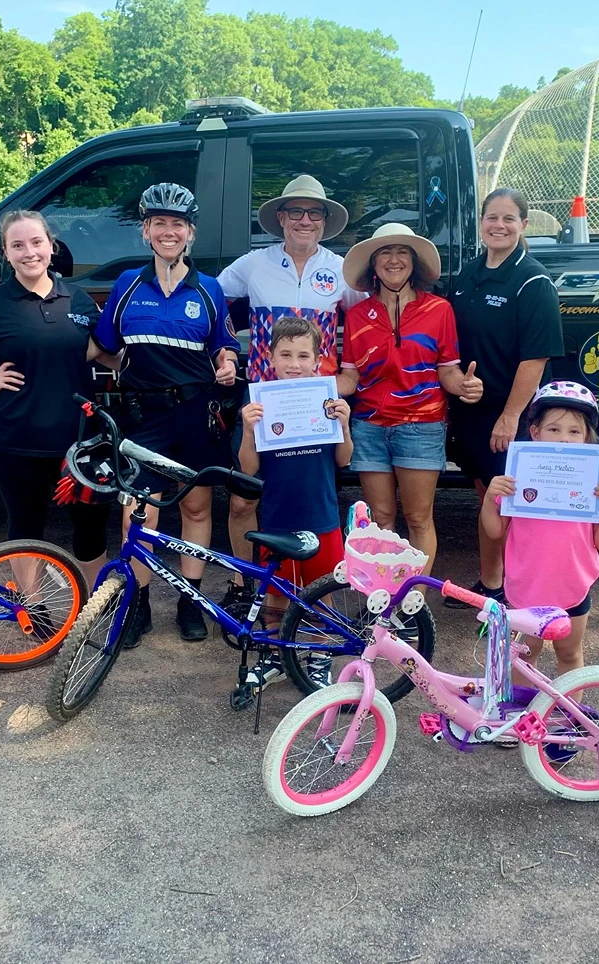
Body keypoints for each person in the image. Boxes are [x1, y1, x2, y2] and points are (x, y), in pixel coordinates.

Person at [89, 183, 240, 646]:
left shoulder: (209, 289)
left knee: (196, 506)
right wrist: (125, 366)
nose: (168, 231)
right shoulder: (128, 285)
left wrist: (228, 364)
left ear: (190, 232)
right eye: (159, 223)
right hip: (143, 416)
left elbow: (225, 347)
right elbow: (100, 348)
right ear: (146, 231)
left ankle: (190, 599)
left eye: (177, 224)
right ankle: (136, 604)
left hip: (196, 412)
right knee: (141, 512)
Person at [0, 210, 113, 591]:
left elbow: (98, 350)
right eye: (18, 245)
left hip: (79, 441)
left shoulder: (78, 300)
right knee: (26, 524)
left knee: (90, 523)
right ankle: (31, 608)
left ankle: (95, 605)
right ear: (6, 253)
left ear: (51, 246)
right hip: (15, 439)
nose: (29, 252)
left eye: (36, 242)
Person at [217, 174, 365, 614]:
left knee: (309, 489)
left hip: (317, 402)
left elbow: (364, 323)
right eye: (295, 212)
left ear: (324, 221)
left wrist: (350, 376)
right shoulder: (253, 263)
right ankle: (251, 585)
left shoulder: (341, 269)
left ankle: (315, 600)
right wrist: (223, 351)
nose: (304, 220)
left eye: (314, 213)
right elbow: (210, 302)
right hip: (264, 399)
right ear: (281, 218)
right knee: (247, 495)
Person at [338, 224, 484, 573]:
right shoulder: (358, 315)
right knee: (382, 519)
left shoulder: (439, 310)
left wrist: (464, 385)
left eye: (402, 252)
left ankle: (413, 602)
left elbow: (447, 370)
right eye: (385, 253)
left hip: (421, 425)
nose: (394, 260)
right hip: (369, 427)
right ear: (373, 265)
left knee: (418, 518)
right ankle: (386, 603)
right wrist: (313, 384)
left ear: (413, 263)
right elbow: (350, 377)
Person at [447, 187, 564, 607]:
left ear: (523, 225)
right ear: (480, 224)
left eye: (508, 218)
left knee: (517, 503)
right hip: (472, 412)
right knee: (489, 497)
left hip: (510, 414)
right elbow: (450, 346)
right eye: (491, 217)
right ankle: (490, 586)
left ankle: (521, 594)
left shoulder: (532, 281)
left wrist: (511, 417)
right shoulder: (468, 275)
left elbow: (535, 358)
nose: (498, 225)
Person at [238, 315, 353, 691]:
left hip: (321, 515)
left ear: (317, 360)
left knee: (323, 594)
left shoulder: (327, 402)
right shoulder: (262, 402)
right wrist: (248, 429)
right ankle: (275, 654)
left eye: (303, 356)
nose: (294, 364)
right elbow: (249, 468)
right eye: (285, 354)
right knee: (276, 593)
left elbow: (343, 460)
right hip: (277, 518)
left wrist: (345, 425)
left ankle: (319, 658)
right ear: (270, 357)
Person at [481, 382, 599, 675]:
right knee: (523, 656)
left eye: (574, 431)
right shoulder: (517, 479)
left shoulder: (593, 486)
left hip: (573, 586)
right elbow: (494, 531)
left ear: (586, 438)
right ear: (535, 433)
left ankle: (567, 717)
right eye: (554, 429)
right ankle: (521, 717)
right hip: (526, 586)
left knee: (569, 654)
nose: (565, 439)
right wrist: (491, 501)